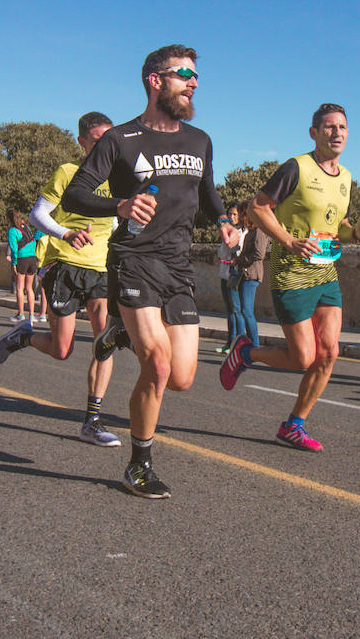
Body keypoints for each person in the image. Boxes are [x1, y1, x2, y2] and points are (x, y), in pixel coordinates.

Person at [62, 44, 239, 498]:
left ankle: (116, 333)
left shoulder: (200, 140)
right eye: (183, 74)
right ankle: (139, 465)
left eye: (196, 75)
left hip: (178, 267)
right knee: (157, 366)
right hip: (134, 258)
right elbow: (75, 196)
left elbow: (208, 192)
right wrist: (119, 204)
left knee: (181, 378)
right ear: (154, 80)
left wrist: (222, 220)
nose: (193, 82)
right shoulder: (119, 139)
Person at [220, 103, 360, 453]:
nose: (337, 134)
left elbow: (338, 229)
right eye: (329, 128)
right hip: (291, 276)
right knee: (303, 358)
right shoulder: (296, 168)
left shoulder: (347, 177)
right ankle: (247, 353)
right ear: (314, 133)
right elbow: (257, 208)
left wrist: (359, 233)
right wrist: (289, 241)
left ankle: (293, 425)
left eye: (343, 128)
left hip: (326, 273)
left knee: (329, 353)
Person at [0, 112, 121, 447]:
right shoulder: (68, 172)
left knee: (104, 342)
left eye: (109, 140)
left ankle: (92, 421)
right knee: (62, 350)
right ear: (82, 142)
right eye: (96, 140)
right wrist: (65, 233)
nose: (104, 147)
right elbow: (38, 215)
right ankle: (24, 337)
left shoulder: (119, 178)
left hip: (101, 268)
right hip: (64, 263)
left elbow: (118, 223)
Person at [232, 200, 269, 348]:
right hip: (246, 275)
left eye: (242, 214)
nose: (241, 218)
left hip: (251, 275)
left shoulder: (259, 231)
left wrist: (239, 260)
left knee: (247, 311)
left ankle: (255, 345)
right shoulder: (252, 232)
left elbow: (258, 254)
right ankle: (250, 343)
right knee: (244, 310)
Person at [216, 203, 245, 355]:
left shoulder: (242, 233)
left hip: (235, 274)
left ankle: (240, 343)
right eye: (230, 215)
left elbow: (237, 250)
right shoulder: (225, 232)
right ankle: (230, 342)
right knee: (229, 310)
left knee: (236, 309)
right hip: (224, 274)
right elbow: (221, 252)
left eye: (235, 214)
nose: (232, 218)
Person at [6, 210, 38, 323]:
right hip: (32, 258)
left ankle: (20, 313)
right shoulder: (26, 227)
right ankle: (32, 314)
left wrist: (14, 263)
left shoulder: (12, 230)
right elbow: (33, 240)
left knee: (20, 288)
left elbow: (14, 248)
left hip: (22, 258)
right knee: (29, 288)